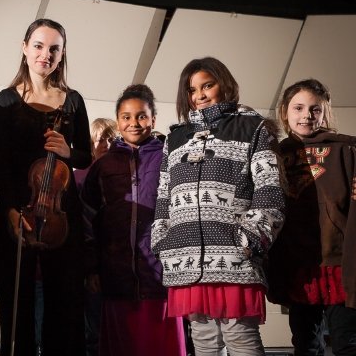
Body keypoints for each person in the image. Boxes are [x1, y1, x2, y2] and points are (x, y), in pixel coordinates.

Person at [151, 57, 285, 356]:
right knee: (204, 342)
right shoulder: (175, 137)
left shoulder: (252, 128)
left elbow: (269, 188)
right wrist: (162, 238)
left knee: (241, 341)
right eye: (191, 89)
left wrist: (251, 236)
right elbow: (163, 194)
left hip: (232, 255)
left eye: (207, 85)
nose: (199, 95)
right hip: (184, 257)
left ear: (224, 84)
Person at [0, 18, 92, 356]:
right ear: (24, 47)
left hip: (62, 211)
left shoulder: (73, 101)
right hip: (16, 208)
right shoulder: (5, 101)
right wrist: (9, 209)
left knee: (64, 298)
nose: (45, 55)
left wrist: (68, 151)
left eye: (54, 49)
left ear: (62, 55)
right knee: (16, 298)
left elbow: (84, 157)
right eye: (38, 45)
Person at [82, 85, 186, 356]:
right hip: (116, 277)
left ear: (153, 118)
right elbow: (88, 219)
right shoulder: (103, 167)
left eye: (141, 116)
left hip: (161, 277)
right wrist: (92, 267)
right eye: (126, 116)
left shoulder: (169, 159)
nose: (133, 123)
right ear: (118, 121)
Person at [267, 79, 356, 356]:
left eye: (314, 109)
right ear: (285, 112)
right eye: (298, 108)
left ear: (324, 112)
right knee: (305, 344)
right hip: (299, 265)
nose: (306, 115)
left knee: (346, 342)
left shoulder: (345, 150)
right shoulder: (276, 155)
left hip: (338, 262)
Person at [73, 117, 117, 356]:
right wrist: (91, 268)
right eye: (101, 139)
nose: (107, 144)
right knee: (94, 331)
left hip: (119, 264)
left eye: (112, 138)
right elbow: (83, 227)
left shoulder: (123, 175)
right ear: (91, 144)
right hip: (92, 261)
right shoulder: (79, 177)